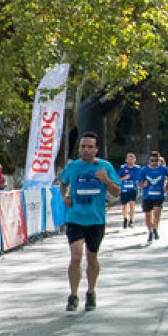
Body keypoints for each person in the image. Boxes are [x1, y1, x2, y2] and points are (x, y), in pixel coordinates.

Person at [58, 132, 120, 312]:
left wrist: (105, 179)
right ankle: (73, 295)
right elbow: (63, 183)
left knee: (92, 258)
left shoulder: (105, 166)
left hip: (95, 220)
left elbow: (117, 192)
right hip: (75, 218)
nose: (86, 150)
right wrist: (65, 196)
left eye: (90, 147)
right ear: (79, 149)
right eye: (83, 146)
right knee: (76, 257)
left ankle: (91, 292)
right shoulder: (73, 167)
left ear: (96, 149)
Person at [136, 151, 168, 243]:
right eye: (152, 160)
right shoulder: (144, 170)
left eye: (156, 160)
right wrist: (143, 185)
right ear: (149, 160)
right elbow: (138, 182)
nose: (154, 162)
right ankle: (150, 231)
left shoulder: (163, 169)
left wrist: (167, 187)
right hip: (147, 196)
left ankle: (155, 228)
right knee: (148, 215)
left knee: (157, 213)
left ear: (159, 160)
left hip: (159, 195)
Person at [117, 152, 140, 230]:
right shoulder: (122, 168)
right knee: (124, 205)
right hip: (124, 189)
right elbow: (117, 179)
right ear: (126, 160)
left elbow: (140, 178)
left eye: (132, 159)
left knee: (132, 204)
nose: (130, 161)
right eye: (129, 159)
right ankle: (125, 219)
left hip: (133, 189)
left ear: (135, 160)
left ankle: (131, 220)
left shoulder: (137, 168)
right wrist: (124, 178)